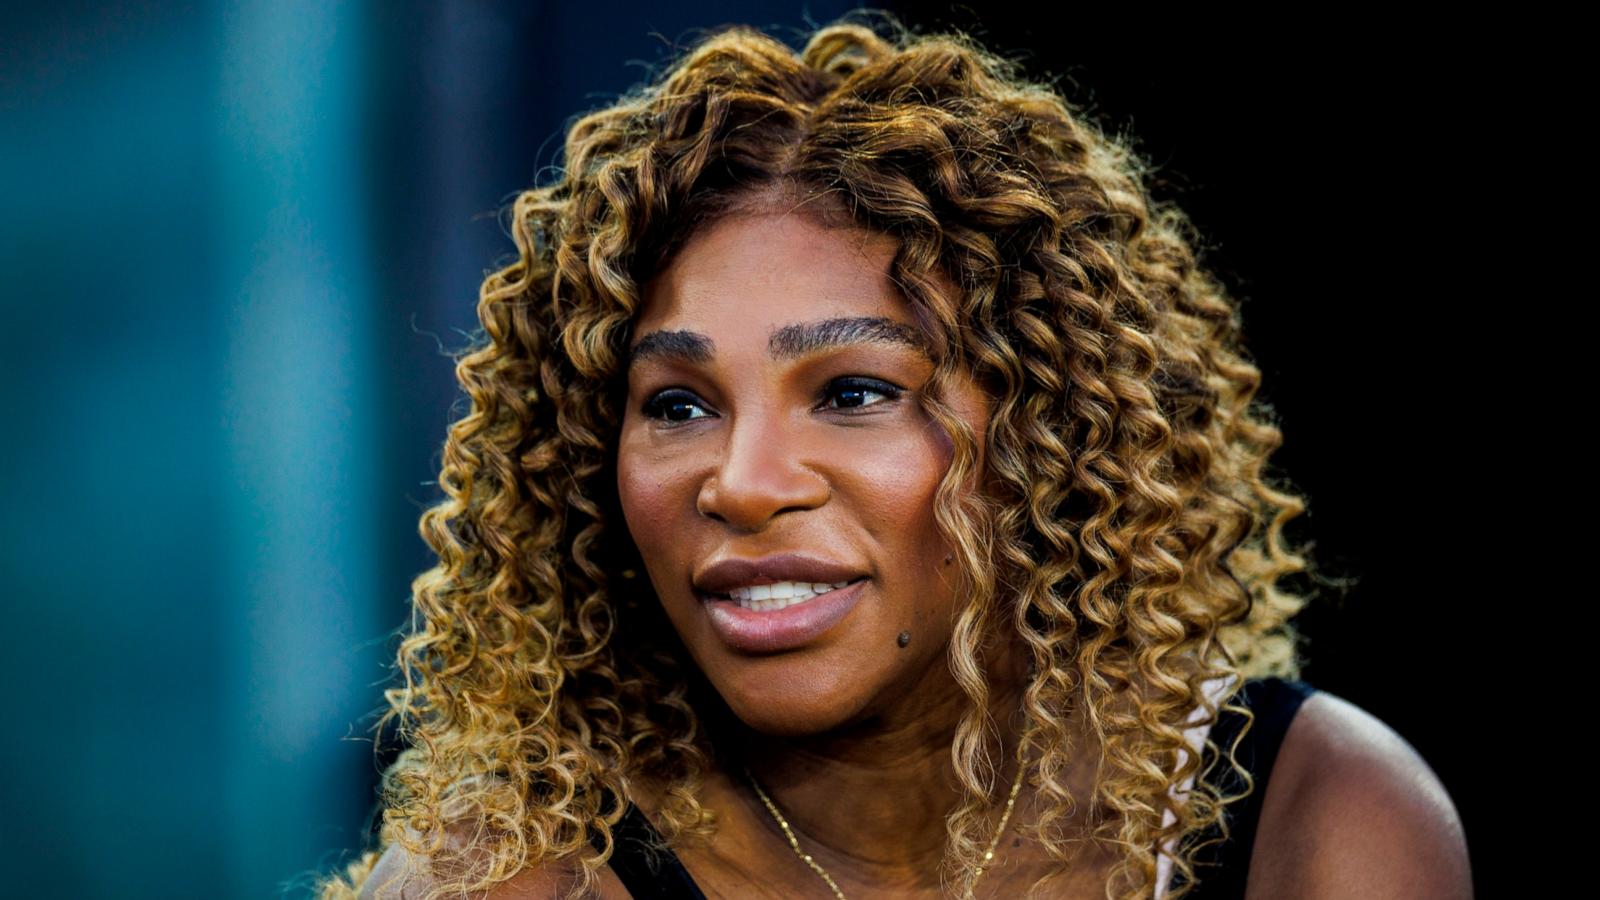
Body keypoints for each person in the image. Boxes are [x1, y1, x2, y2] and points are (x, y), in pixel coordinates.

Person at [318, 14, 1471, 900]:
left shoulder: (1311, 817)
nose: (744, 481)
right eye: (675, 405)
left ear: (1042, 432)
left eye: (854, 392)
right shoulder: (513, 871)